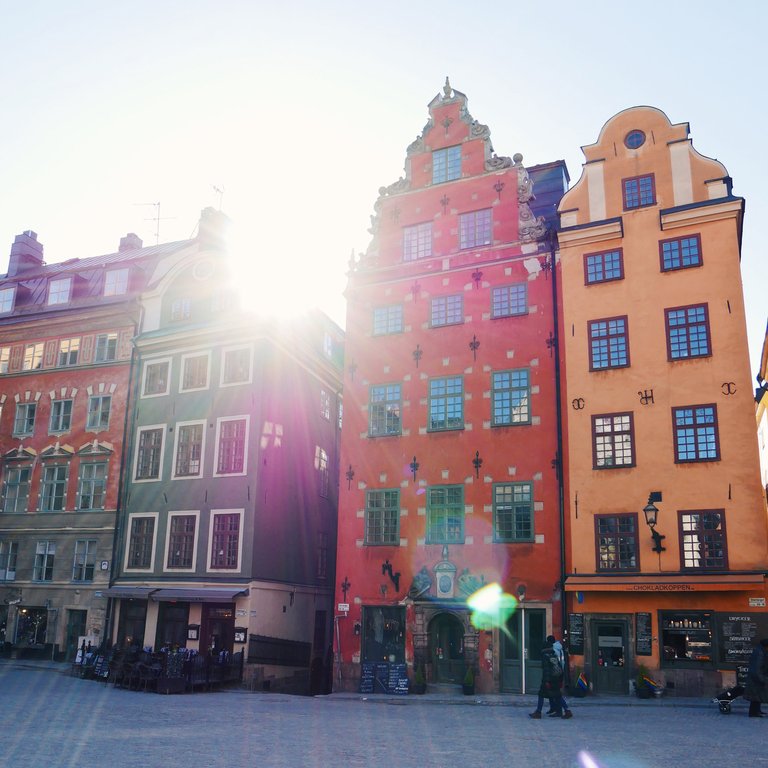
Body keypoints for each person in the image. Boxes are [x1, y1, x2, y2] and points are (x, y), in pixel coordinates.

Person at [529, 635, 573, 720]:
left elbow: (546, 670)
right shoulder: (554, 655)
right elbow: (559, 666)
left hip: (549, 679)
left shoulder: (545, 656)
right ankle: (567, 711)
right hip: (557, 677)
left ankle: (538, 712)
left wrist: (546, 681)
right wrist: (560, 679)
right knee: (557, 695)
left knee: (541, 694)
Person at [745, 638, 768, 717]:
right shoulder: (759, 653)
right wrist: (762, 679)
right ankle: (754, 713)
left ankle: (757, 711)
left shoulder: (760, 650)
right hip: (756, 678)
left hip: (756, 677)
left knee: (757, 696)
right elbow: (757, 668)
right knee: (755, 696)